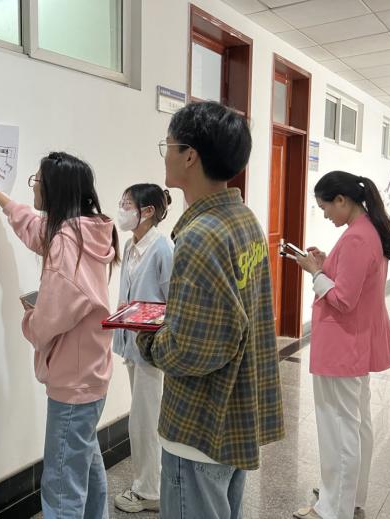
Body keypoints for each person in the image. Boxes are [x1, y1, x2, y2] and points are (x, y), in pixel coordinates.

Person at [136, 101, 285, 519]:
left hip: (199, 425)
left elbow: (193, 348)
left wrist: (148, 339)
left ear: (189, 156)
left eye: (168, 145)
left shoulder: (200, 235)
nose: (165, 154)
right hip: (234, 411)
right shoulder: (244, 219)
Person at [0, 152, 120, 519]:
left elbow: (48, 322)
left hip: (74, 379)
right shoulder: (85, 230)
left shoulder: (66, 243)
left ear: (55, 189)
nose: (34, 186)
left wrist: (29, 318)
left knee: (61, 484)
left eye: (37, 181)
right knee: (85, 463)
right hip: (92, 371)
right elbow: (34, 227)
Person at [293, 171, 390, 519]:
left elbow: (343, 299)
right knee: (356, 424)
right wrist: (326, 263)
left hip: (341, 345)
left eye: (325, 207)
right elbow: (354, 282)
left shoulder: (356, 237)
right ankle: (349, 496)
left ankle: (332, 508)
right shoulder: (369, 229)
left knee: (338, 428)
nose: (324, 214)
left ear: (342, 200)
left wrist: (314, 272)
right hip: (355, 343)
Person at [112, 184, 174, 513]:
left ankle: (150, 490)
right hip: (133, 344)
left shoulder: (163, 249)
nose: (121, 210)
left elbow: (174, 303)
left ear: (147, 211)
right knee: (142, 418)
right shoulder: (131, 245)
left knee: (145, 421)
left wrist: (148, 321)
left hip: (153, 349)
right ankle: (148, 483)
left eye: (127, 204)